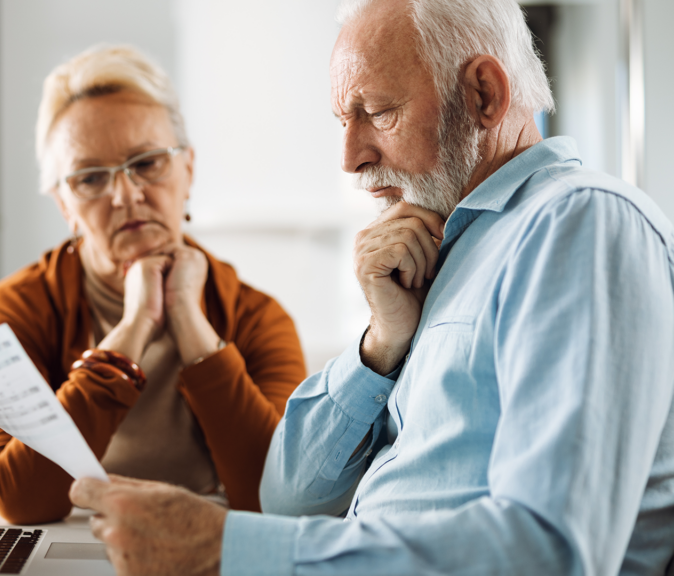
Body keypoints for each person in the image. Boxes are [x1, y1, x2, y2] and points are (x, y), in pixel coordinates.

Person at [68, 0, 674, 574]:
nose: (350, 157)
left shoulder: (581, 224)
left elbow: (552, 553)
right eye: (342, 120)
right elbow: (287, 498)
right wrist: (381, 343)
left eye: (378, 112)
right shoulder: (438, 248)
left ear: (484, 95)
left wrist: (229, 553)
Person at [0, 45, 307, 525]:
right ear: (64, 205)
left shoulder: (257, 316)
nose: (126, 195)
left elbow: (277, 499)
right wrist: (135, 326)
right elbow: (23, 502)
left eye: (146, 163)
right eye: (91, 177)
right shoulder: (14, 307)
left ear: (189, 169)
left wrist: (187, 319)